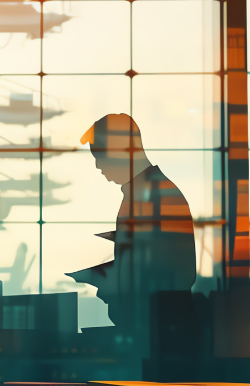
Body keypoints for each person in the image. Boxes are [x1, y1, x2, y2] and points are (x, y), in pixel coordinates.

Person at [67, 113, 196, 354]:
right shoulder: (149, 193)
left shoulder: (152, 196)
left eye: (100, 156)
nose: (98, 166)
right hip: (161, 330)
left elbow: (163, 270)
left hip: (159, 335)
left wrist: (105, 277)